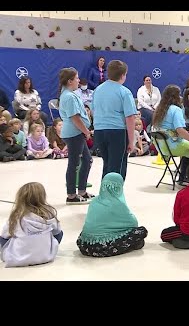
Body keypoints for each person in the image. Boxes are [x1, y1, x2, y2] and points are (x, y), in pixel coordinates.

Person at [76, 172, 148, 257]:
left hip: (85, 245)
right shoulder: (118, 204)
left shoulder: (94, 201)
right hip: (102, 247)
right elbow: (133, 223)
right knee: (140, 232)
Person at [91, 60, 137, 180]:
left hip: (100, 131)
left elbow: (93, 111)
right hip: (117, 131)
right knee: (117, 166)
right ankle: (114, 196)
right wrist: (131, 141)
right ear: (123, 75)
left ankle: (105, 194)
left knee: (107, 165)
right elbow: (130, 117)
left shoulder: (98, 90)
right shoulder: (124, 92)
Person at [0, 182, 63, 267]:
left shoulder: (17, 215)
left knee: (5, 237)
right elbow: (58, 232)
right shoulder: (49, 213)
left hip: (18, 258)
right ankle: (43, 249)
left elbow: (5, 235)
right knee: (58, 232)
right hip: (46, 256)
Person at [151, 85, 189, 185]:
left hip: (161, 147)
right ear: (175, 97)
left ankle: (182, 177)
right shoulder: (176, 110)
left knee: (187, 151)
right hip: (172, 145)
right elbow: (180, 131)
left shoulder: (159, 109)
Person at [58, 67, 94, 204]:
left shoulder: (70, 94)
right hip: (74, 134)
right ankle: (71, 195)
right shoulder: (68, 96)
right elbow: (75, 118)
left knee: (87, 160)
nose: (79, 80)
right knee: (74, 164)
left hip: (77, 133)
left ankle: (82, 191)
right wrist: (86, 131)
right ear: (70, 81)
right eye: (77, 78)